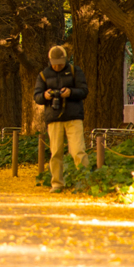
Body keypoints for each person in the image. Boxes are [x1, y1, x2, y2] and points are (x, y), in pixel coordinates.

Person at [33, 45, 90, 193]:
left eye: (60, 62)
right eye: (54, 63)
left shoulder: (74, 71)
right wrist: (45, 96)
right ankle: (57, 184)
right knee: (56, 152)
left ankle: (84, 182)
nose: (57, 66)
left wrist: (70, 92)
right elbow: (37, 96)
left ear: (65, 60)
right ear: (50, 61)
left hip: (73, 117)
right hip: (54, 118)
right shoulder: (43, 75)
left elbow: (84, 91)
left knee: (78, 151)